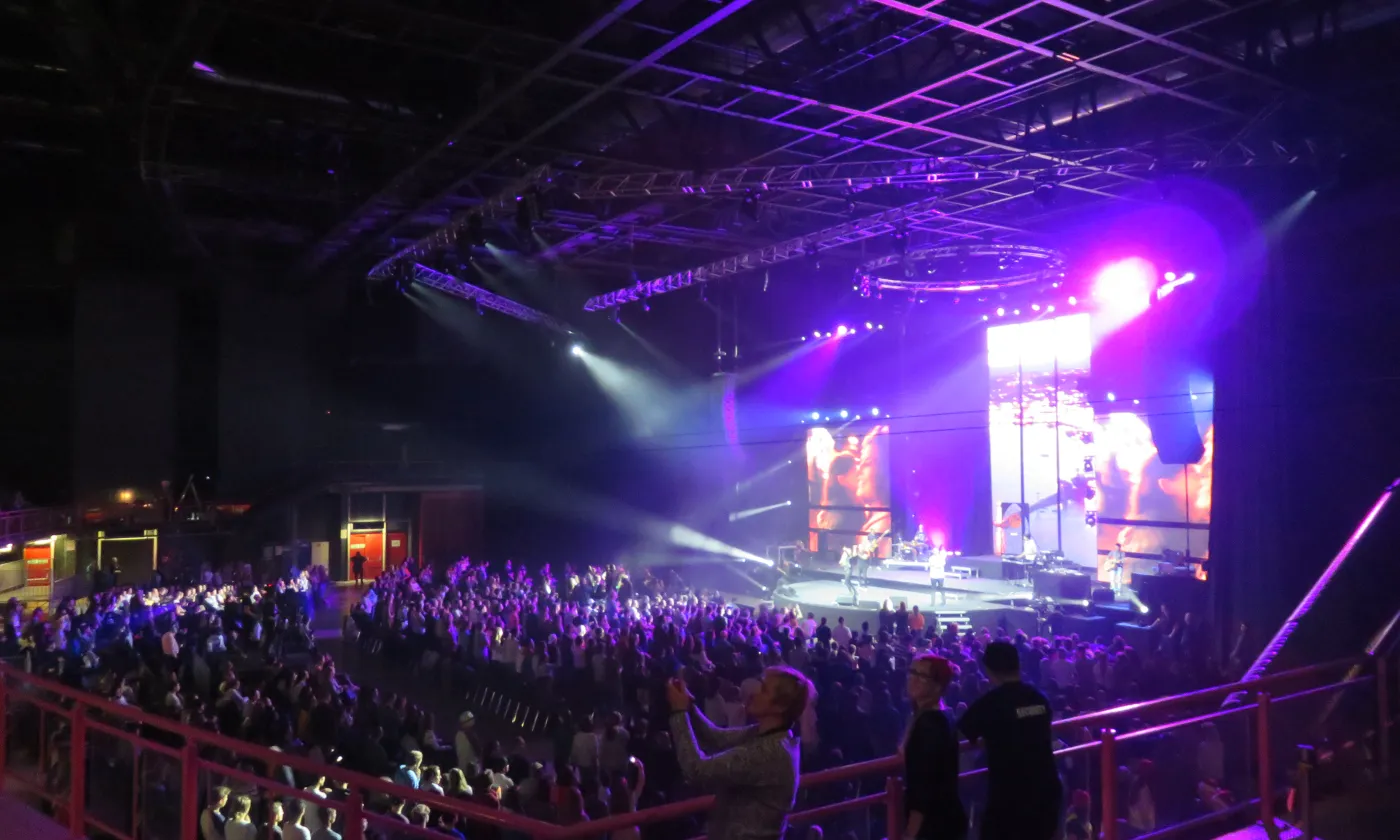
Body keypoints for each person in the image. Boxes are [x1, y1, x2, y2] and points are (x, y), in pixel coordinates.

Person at [666, 666, 811, 840]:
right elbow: (717, 737)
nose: (754, 693)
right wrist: (690, 707)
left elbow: (696, 770)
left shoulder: (770, 753)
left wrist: (679, 712)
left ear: (780, 706)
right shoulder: (774, 736)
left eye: (764, 690)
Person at [957, 641, 1061, 840]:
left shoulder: (990, 703)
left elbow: (960, 734)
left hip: (1009, 799)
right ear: (1018, 664)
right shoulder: (1039, 698)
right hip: (1046, 790)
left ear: (988, 670)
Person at [902, 655, 966, 840]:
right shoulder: (939, 715)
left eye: (922, 676)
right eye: (912, 672)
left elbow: (925, 782)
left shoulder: (930, 724)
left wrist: (911, 831)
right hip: (945, 817)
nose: (913, 679)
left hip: (934, 824)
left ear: (938, 686)